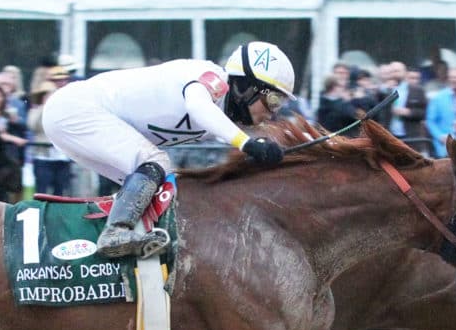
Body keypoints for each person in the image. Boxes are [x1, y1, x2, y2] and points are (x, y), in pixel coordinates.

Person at [41, 41, 294, 258]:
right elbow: (198, 107)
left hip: (70, 115)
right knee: (156, 162)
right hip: (74, 108)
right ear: (247, 88)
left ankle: (125, 234)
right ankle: (116, 233)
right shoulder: (212, 78)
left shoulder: (222, 114)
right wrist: (247, 143)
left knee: (162, 185)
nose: (273, 113)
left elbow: (247, 135)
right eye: (273, 100)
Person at [26, 79, 74, 195]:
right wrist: (44, 107)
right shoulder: (35, 111)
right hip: (43, 156)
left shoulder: (63, 110)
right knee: (42, 189)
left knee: (60, 190)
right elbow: (32, 126)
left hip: (61, 156)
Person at [424, 66, 456, 159]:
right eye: (452, 77)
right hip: (446, 147)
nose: (454, 80)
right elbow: (430, 121)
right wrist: (440, 136)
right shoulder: (438, 98)